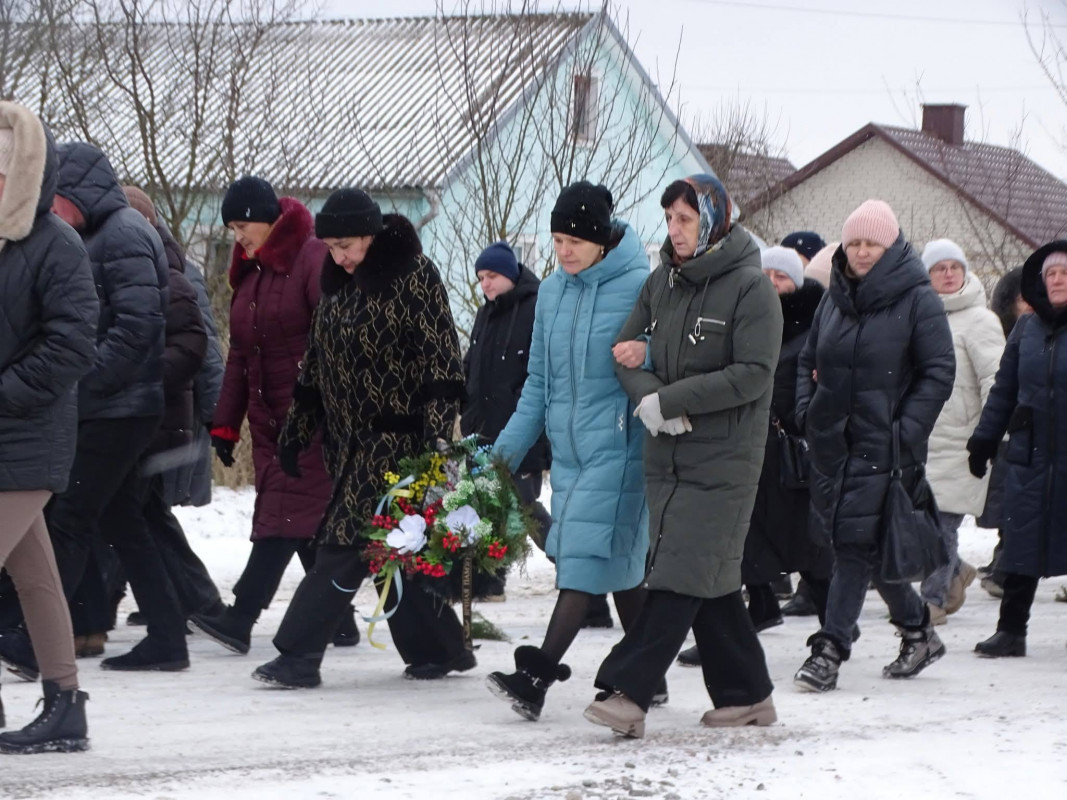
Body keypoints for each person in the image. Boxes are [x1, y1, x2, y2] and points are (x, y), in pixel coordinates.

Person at [583, 174, 781, 739]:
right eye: (669, 219)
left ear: (714, 220)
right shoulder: (661, 283)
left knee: (675, 576)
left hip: (723, 460)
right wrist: (650, 399)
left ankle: (628, 690)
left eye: (686, 220)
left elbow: (752, 374)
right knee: (708, 581)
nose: (675, 230)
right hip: (665, 457)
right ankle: (746, 696)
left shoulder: (750, 288)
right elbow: (622, 354)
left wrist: (670, 397)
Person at [253, 189, 469, 687]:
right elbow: (316, 369)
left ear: (372, 235)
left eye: (346, 245)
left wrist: (438, 447)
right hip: (349, 446)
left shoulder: (415, 278)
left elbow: (442, 367)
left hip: (400, 447)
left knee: (345, 544)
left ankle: (298, 655)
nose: (339, 257)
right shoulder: (337, 289)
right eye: (330, 247)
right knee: (394, 552)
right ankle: (441, 648)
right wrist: (296, 432)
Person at [485, 182, 652, 722]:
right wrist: (502, 454)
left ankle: (536, 677)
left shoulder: (640, 286)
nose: (564, 251)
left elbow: (664, 359)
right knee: (621, 568)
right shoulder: (553, 294)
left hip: (622, 447)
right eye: (556, 240)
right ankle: (648, 669)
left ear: (602, 240)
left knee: (578, 557)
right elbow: (537, 384)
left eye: (575, 240)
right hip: (571, 455)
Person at [792, 200, 954, 693]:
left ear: (890, 247)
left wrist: (904, 431)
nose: (862, 253)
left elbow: (938, 371)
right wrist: (807, 412)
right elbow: (806, 360)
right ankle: (918, 631)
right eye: (855, 243)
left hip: (885, 449)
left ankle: (830, 649)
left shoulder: (917, 299)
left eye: (872, 244)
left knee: (852, 548)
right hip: (832, 444)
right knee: (866, 543)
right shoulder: (834, 299)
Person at [189, 177, 354, 655]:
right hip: (268, 422)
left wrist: (324, 407)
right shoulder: (252, 275)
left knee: (284, 518)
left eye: (243, 225)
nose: (237, 236)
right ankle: (337, 619)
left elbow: (334, 342)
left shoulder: (310, 258)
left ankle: (240, 618)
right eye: (232, 228)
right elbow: (240, 354)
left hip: (310, 418)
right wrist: (225, 422)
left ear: (268, 220)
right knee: (305, 521)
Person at [677, 246, 830, 670]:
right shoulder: (743, 325)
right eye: (763, 275)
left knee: (804, 545)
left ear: (795, 283)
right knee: (742, 541)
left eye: (780, 277)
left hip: (792, 454)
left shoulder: (813, 328)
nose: (770, 284)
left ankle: (834, 627)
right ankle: (759, 607)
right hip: (744, 449)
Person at [0, 101, 95, 753]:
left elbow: (71, 346)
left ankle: (65, 706)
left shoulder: (54, 244)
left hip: (27, 438)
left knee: (34, 573)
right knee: (36, 576)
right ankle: (66, 705)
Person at [968, 242, 1067, 658]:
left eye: (1065, 273)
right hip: (1030, 453)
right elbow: (1004, 389)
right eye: (1051, 274)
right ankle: (1011, 631)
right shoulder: (1026, 329)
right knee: (1021, 543)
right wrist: (984, 439)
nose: (1058, 279)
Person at [919, 239, 1004, 624]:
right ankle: (957, 571)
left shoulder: (980, 320)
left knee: (943, 523)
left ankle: (933, 601)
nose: (949, 274)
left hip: (961, 441)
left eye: (955, 266)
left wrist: (993, 433)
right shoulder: (919, 315)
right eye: (940, 268)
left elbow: (995, 379)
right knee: (922, 524)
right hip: (921, 439)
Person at [461, 241, 552, 598]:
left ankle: (582, 581)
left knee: (524, 508)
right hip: (482, 428)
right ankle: (489, 582)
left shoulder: (536, 308)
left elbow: (539, 372)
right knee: (487, 506)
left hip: (520, 429)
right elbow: (474, 367)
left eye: (493, 275)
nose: (486, 283)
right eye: (481, 277)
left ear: (511, 275)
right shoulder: (485, 314)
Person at [977, 265, 1032, 598]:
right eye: (1020, 299)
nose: (1026, 305)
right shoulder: (999, 332)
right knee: (1005, 500)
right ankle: (1003, 558)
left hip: (1034, 430)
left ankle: (1007, 566)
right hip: (1008, 427)